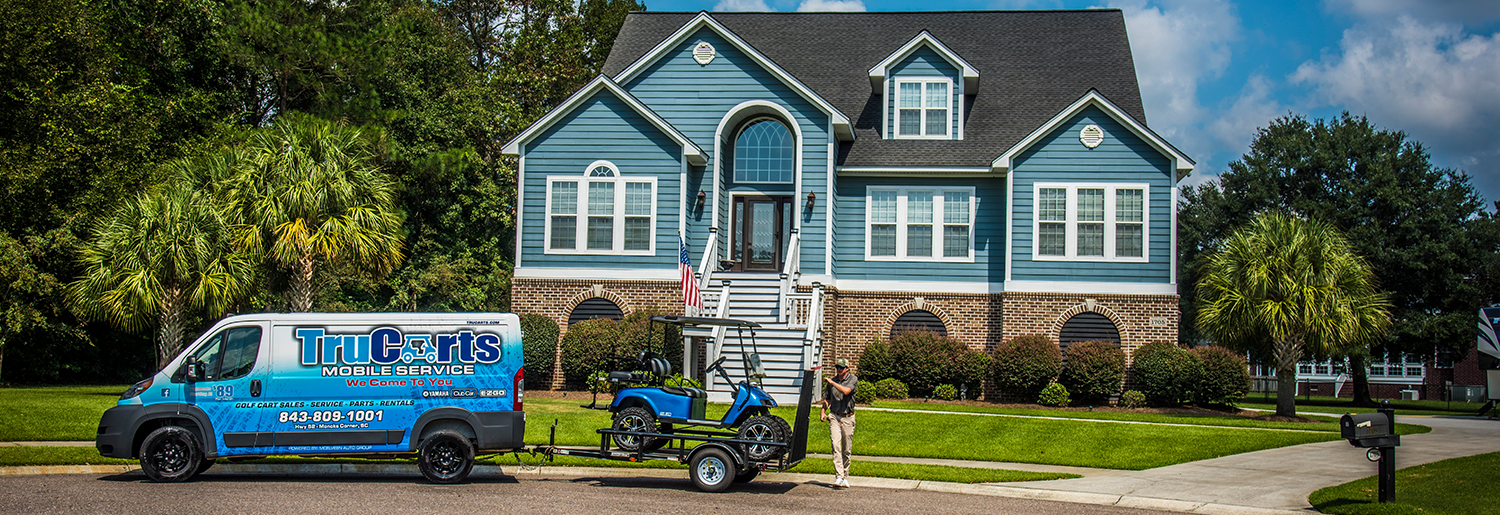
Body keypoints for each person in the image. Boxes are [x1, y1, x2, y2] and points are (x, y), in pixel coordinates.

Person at [820, 358, 858, 488]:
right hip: (835, 416)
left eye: (841, 367)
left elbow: (846, 391)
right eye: (837, 367)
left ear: (847, 368)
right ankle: (839, 476)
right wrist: (823, 411)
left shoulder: (853, 379)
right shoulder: (832, 381)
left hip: (848, 417)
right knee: (835, 445)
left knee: (846, 449)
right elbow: (827, 399)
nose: (839, 370)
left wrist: (832, 382)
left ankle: (845, 476)